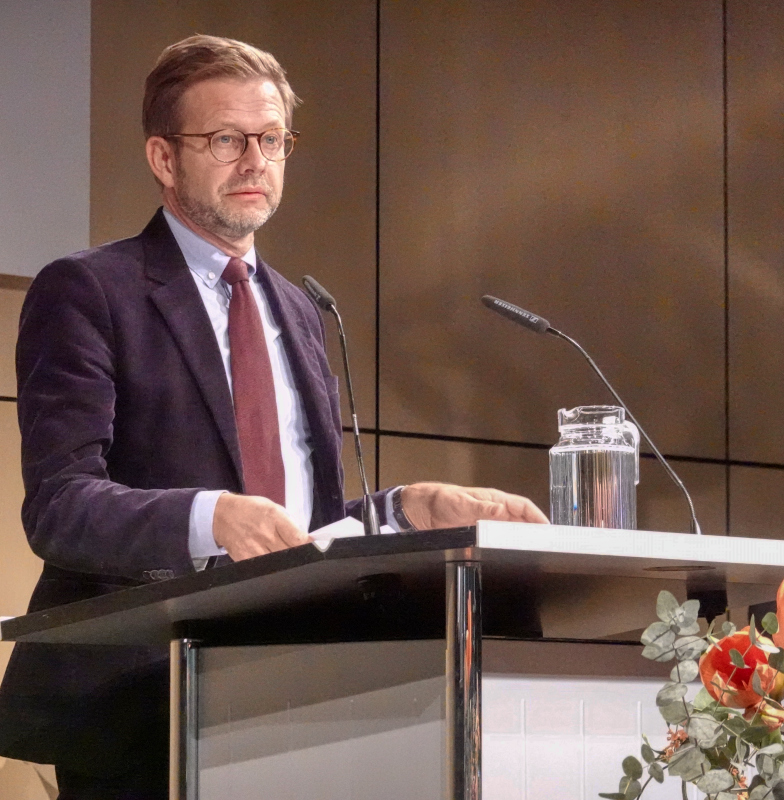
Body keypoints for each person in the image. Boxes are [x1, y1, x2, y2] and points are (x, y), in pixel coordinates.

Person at [0, 35, 548, 799]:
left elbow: (298, 522)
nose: (255, 160)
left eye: (271, 139)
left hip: (300, 694)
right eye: (226, 139)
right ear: (164, 158)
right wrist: (211, 516)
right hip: (144, 707)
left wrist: (400, 510)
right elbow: (61, 506)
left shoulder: (299, 307)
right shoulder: (89, 291)